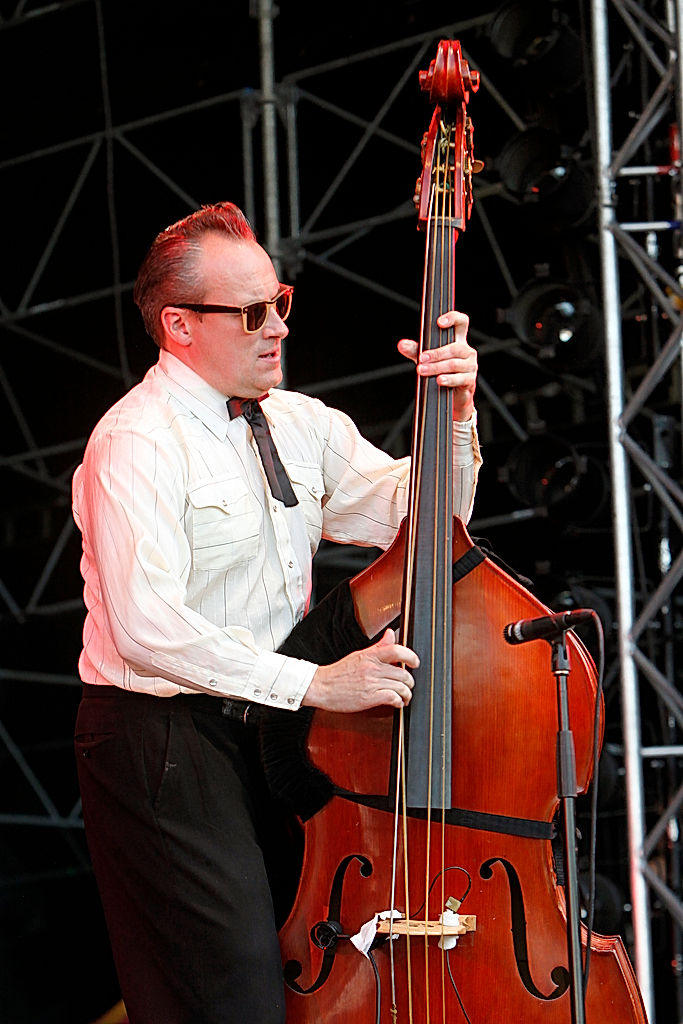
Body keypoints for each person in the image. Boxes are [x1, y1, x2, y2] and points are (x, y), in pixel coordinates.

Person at [72, 200, 481, 1024]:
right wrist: (316, 682)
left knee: (316, 969)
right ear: (179, 326)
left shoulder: (299, 423)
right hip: (164, 741)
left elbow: (424, 527)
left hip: (273, 723)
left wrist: (456, 415)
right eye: (252, 313)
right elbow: (147, 631)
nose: (278, 329)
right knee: (231, 995)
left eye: (280, 303)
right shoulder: (134, 442)